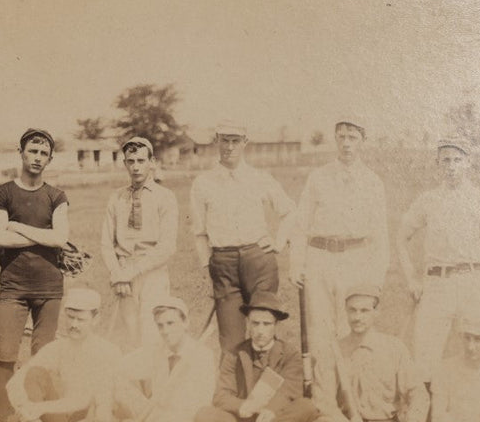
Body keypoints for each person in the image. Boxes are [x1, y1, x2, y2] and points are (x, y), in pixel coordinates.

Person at [0, 128, 69, 422]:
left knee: (43, 357)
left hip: (49, 288)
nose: (37, 157)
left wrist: (17, 225)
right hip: (14, 288)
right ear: (21, 152)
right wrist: (40, 234)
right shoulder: (3, 193)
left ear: (50, 159)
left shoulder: (56, 196)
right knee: (6, 354)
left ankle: (38, 419)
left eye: (43, 153)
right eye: (32, 151)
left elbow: (60, 238)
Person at [397, 138, 480, 382]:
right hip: (437, 284)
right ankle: (426, 415)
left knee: (472, 354)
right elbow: (401, 237)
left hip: (473, 283)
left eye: (458, 160)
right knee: (425, 354)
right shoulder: (428, 200)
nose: (452, 166)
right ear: (437, 163)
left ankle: (468, 415)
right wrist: (412, 278)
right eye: (446, 160)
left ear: (468, 163)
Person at [291, 118, 390, 374]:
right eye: (341, 137)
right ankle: (323, 392)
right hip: (320, 258)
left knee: (351, 326)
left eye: (353, 138)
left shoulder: (372, 182)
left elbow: (380, 234)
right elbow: (301, 223)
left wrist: (376, 277)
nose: (346, 144)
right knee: (320, 329)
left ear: (362, 141)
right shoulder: (318, 177)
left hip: (356, 258)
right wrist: (296, 263)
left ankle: (353, 393)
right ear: (335, 139)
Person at [189, 121, 297, 356]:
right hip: (223, 265)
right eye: (224, 141)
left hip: (259, 261)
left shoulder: (260, 178)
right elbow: (199, 232)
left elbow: (289, 211)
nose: (229, 147)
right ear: (217, 142)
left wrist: (278, 243)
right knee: (230, 340)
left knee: (264, 332)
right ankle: (234, 392)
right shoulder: (203, 183)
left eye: (235, 141)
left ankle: (267, 391)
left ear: (245, 143)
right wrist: (210, 266)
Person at [302, 285, 432, 422]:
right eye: (352, 310)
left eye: (364, 310)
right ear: (345, 311)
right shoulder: (332, 350)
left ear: (376, 312)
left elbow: (417, 391)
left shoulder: (395, 347)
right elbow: (324, 401)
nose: (357, 317)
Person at [194, 292, 318, 422]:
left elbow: (290, 392)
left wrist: (267, 416)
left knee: (306, 406)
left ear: (276, 326)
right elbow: (221, 396)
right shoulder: (234, 354)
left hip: (274, 421)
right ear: (248, 324)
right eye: (255, 323)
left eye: (266, 324)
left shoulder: (290, 354)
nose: (260, 330)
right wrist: (242, 406)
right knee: (203, 415)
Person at [3, 289, 123, 422]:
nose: (74, 324)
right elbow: (15, 383)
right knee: (34, 374)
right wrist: (30, 420)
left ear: (95, 320)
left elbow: (85, 399)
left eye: (81, 320)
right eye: (70, 317)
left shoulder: (108, 351)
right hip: (61, 416)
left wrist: (41, 409)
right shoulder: (57, 348)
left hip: (89, 420)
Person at [102, 296, 216, 422]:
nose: (165, 331)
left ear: (185, 323)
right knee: (118, 383)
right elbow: (118, 368)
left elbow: (194, 408)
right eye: (160, 325)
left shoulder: (202, 356)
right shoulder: (157, 350)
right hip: (155, 417)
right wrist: (104, 408)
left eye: (170, 324)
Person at [100, 137, 178, 351]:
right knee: (129, 339)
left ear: (152, 161)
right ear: (124, 163)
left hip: (152, 273)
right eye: (131, 161)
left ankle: (155, 385)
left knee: (152, 336)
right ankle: (132, 385)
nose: (136, 167)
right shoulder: (116, 198)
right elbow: (107, 243)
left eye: (141, 161)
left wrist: (131, 272)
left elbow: (167, 247)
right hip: (123, 275)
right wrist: (118, 274)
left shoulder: (165, 197)